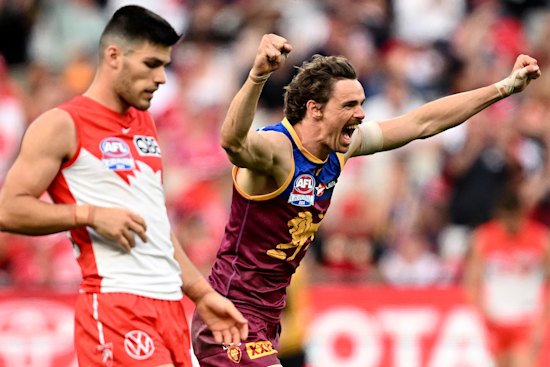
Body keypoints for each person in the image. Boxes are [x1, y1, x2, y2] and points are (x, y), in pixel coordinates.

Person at [189, 33, 541, 366]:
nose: (360, 114)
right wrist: (256, 76)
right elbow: (233, 142)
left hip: (267, 317)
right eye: (349, 105)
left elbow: (422, 122)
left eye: (361, 104)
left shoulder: (340, 150)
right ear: (315, 109)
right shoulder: (276, 150)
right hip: (231, 312)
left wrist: (503, 88)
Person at [0, 5, 248, 367]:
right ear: (114, 56)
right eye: (151, 64)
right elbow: (8, 209)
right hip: (117, 305)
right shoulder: (61, 124)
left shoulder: (144, 123)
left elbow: (156, 224)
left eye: (165, 65)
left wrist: (201, 293)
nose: (162, 77)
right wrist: (90, 215)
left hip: (169, 308)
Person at [464, 186, 550, 367]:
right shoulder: (484, 237)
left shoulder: (540, 238)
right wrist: (484, 314)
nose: (511, 224)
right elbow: (472, 280)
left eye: (515, 218)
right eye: (506, 218)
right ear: (499, 215)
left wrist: (542, 322)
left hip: (526, 318)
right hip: (497, 318)